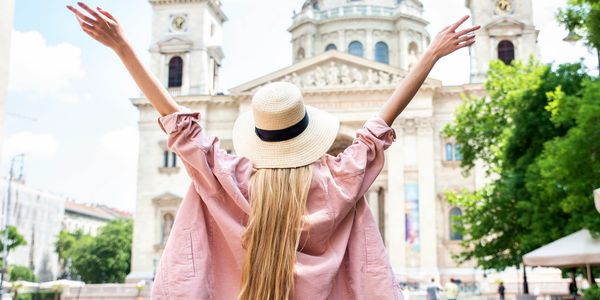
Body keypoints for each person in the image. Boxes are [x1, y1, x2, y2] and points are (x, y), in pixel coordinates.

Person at [66, 2, 479, 299]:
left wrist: (121, 45)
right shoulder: (337, 181)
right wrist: (430, 56)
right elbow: (379, 127)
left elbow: (179, 124)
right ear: (309, 133)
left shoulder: (230, 180)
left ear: (258, 136)